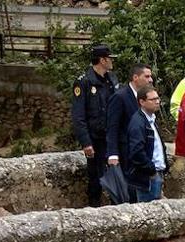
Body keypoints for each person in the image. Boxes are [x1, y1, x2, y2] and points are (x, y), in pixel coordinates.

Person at [70, 44, 118, 206]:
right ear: (102, 60)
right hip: (95, 137)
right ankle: (95, 206)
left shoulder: (111, 79)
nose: (112, 62)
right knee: (95, 176)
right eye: (109, 59)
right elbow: (78, 115)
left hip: (111, 136)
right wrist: (86, 142)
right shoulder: (84, 82)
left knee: (115, 173)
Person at [106, 63, 153, 171]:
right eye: (147, 76)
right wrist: (112, 153)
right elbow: (112, 126)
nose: (150, 80)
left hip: (144, 154)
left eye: (150, 76)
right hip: (126, 154)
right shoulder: (120, 97)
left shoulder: (148, 98)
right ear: (135, 77)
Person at [125, 85, 167, 202]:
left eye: (158, 98)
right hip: (148, 177)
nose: (157, 102)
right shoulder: (138, 122)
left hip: (155, 174)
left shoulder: (151, 119)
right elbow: (137, 152)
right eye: (153, 99)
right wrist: (151, 170)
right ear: (142, 102)